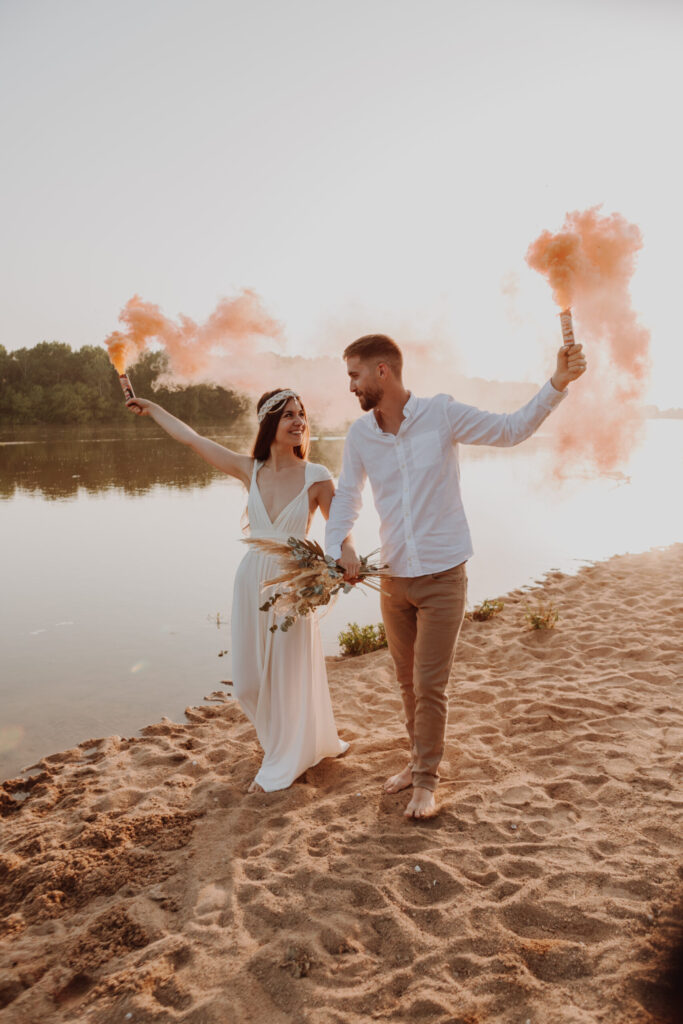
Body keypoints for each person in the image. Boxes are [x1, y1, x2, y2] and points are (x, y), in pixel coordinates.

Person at [325, 334, 587, 819]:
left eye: (354, 375)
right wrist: (339, 545)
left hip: (444, 577)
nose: (350, 386)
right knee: (406, 682)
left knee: (430, 684)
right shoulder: (360, 435)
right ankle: (415, 761)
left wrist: (558, 383)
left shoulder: (441, 414)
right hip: (392, 578)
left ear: (383, 371)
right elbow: (347, 496)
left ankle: (426, 781)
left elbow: (511, 430)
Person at [127, 388, 350, 793]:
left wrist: (345, 560)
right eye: (288, 416)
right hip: (251, 581)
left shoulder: (317, 476)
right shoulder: (252, 470)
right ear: (270, 425)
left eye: (302, 414)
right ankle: (285, 741)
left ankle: (287, 754)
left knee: (288, 675)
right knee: (248, 681)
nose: (299, 422)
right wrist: (154, 408)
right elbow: (194, 440)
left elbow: (340, 531)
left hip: (293, 585)